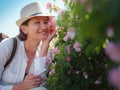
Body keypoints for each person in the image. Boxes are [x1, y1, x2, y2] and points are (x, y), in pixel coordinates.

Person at [0, 2, 56, 90]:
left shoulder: (46, 53)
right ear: (24, 29)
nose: (44, 26)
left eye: (45, 22)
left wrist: (45, 46)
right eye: (37, 22)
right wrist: (21, 87)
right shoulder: (7, 46)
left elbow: (40, 84)